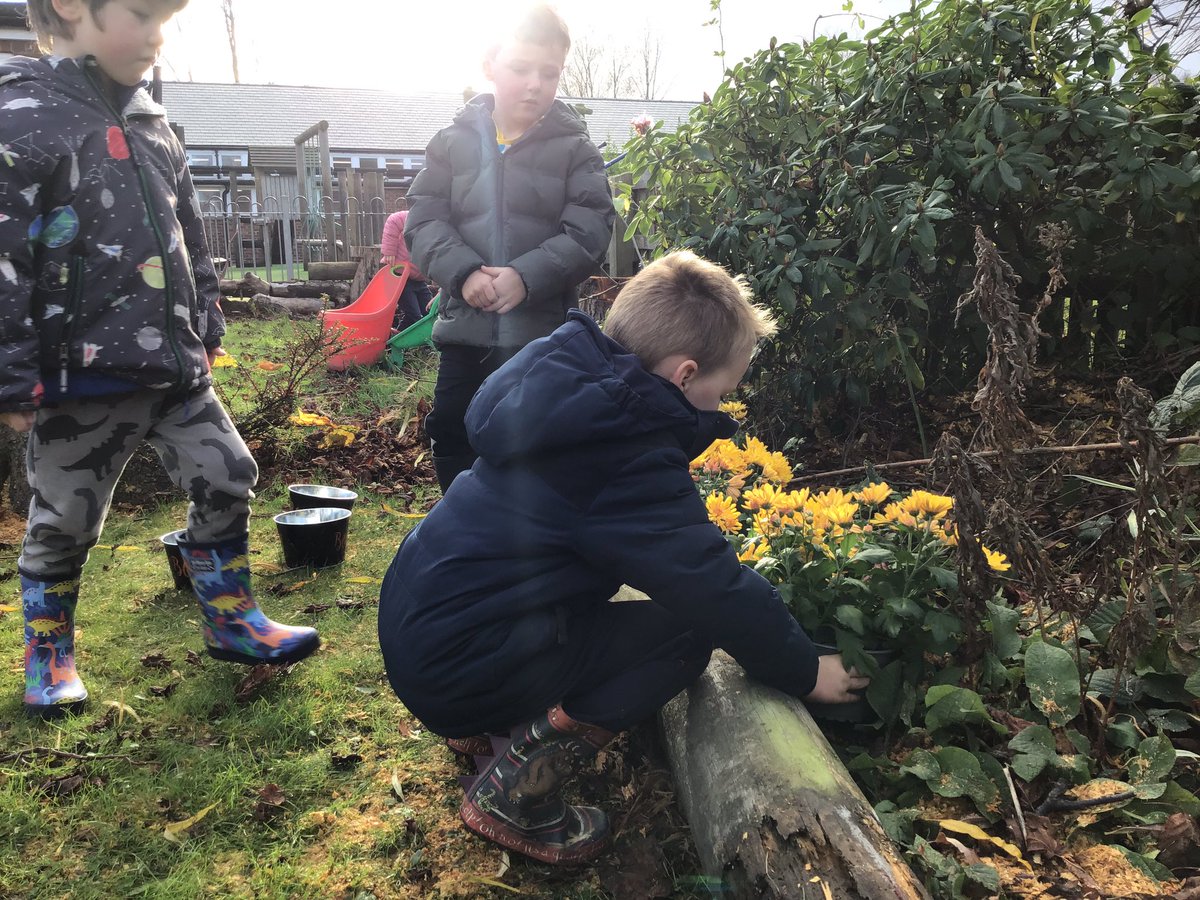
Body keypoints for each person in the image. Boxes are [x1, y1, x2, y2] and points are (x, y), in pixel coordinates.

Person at [377, 251, 868, 865]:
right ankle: (517, 792)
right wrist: (802, 669)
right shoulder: (624, 447)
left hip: (422, 631)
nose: (719, 411)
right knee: (686, 635)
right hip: (455, 663)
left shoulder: (568, 383)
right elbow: (710, 586)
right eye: (721, 394)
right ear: (685, 376)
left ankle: (486, 721)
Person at [1, 0, 319, 717]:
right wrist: (10, 374)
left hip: (173, 364)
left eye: (167, 18)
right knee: (68, 516)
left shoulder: (152, 121)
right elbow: (4, 259)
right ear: (70, 8)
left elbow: (189, 236)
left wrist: (206, 320)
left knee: (227, 471)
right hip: (79, 375)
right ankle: (48, 652)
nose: (157, 35)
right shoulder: (23, 117)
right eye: (142, 13)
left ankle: (230, 617)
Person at [404, 4, 616, 492]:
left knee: (535, 440)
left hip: (540, 337)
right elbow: (424, 220)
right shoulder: (451, 143)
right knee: (453, 429)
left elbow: (589, 229)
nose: (535, 84)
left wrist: (526, 276)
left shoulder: (575, 149)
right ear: (490, 66)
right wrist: (466, 273)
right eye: (521, 69)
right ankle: (461, 528)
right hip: (466, 331)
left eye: (550, 73)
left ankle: (528, 542)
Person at [379, 206, 433, 332]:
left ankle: (398, 340)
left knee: (428, 313)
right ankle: (397, 343)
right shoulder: (412, 217)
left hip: (419, 279)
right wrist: (389, 251)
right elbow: (393, 219)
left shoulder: (438, 229)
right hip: (400, 276)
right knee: (415, 315)